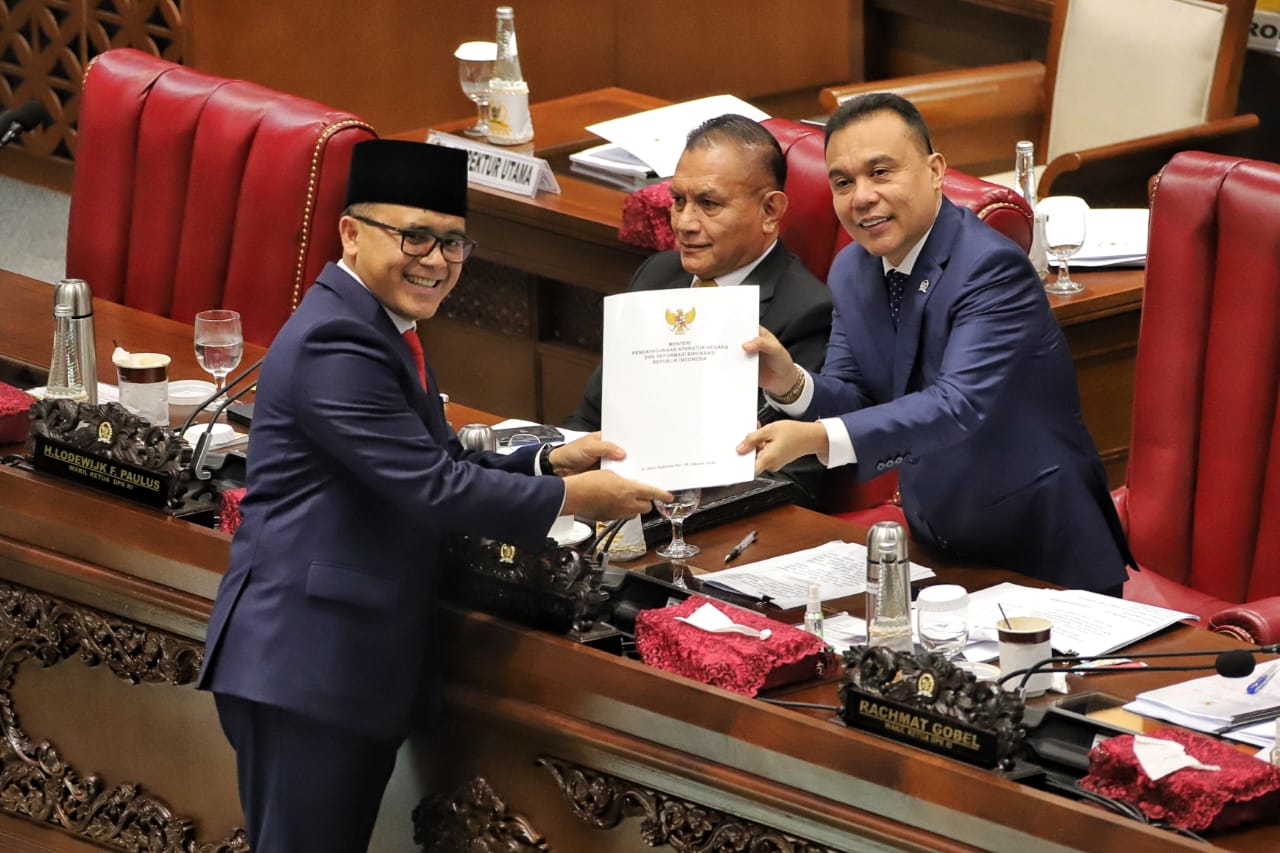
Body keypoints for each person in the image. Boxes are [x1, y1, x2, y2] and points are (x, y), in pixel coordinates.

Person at [196, 139, 670, 853]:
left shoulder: (381, 325)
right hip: (305, 665)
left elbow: (433, 462)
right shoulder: (337, 340)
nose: (436, 259)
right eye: (413, 235)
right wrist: (574, 497)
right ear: (351, 233)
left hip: (333, 665)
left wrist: (547, 460)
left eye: (453, 241)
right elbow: (433, 489)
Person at [737, 93, 1132, 594]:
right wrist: (790, 384)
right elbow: (854, 392)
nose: (860, 197)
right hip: (939, 542)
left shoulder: (990, 267)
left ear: (934, 170)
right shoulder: (853, 269)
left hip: (1040, 552)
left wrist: (816, 437)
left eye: (880, 172)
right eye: (843, 181)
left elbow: (958, 404)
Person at [562, 114, 833, 508]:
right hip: (615, 510)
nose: (685, 223)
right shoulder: (657, 274)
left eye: (709, 204)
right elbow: (590, 417)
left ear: (770, 211)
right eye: (678, 201)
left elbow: (791, 480)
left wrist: (661, 507)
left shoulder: (807, 311)